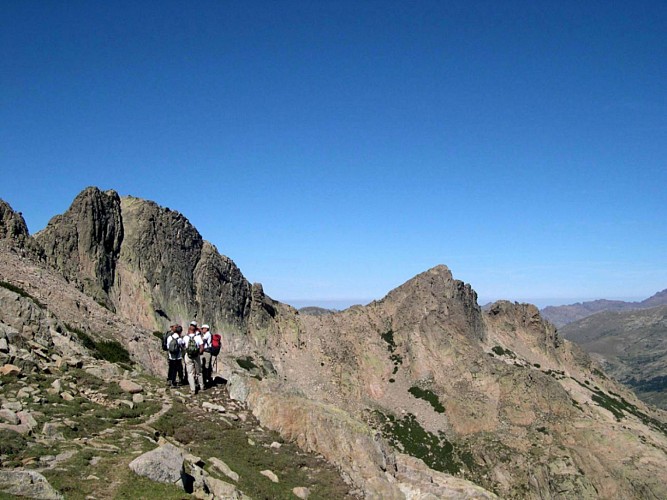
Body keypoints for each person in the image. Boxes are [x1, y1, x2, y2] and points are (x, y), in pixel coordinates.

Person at [182, 321, 204, 394]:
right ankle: (201, 386)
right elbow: (201, 347)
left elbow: (183, 345)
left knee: (190, 373)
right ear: (195, 328)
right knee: (199, 372)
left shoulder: (185, 337)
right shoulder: (198, 337)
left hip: (188, 356)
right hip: (196, 356)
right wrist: (198, 353)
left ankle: (193, 389)